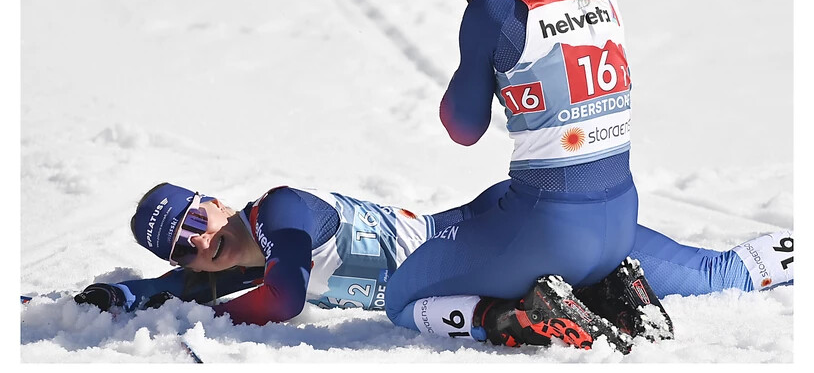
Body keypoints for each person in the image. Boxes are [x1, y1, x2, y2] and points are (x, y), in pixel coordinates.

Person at [378, 0, 789, 351]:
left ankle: (513, 319)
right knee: (508, 201)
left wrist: (478, 48)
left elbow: (463, 128)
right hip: (618, 226)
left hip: (544, 232)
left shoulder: (494, 10)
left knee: (403, 298)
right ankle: (608, 292)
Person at [75, 181, 793, 336]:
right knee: (714, 274)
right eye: (183, 244)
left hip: (473, 245)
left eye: (196, 219)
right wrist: (125, 297)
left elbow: (286, 295)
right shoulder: (222, 261)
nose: (198, 240)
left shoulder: (283, 209)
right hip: (504, 240)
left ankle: (520, 312)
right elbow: (180, 283)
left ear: (219, 200)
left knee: (402, 304)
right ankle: (601, 287)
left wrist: (217, 311)